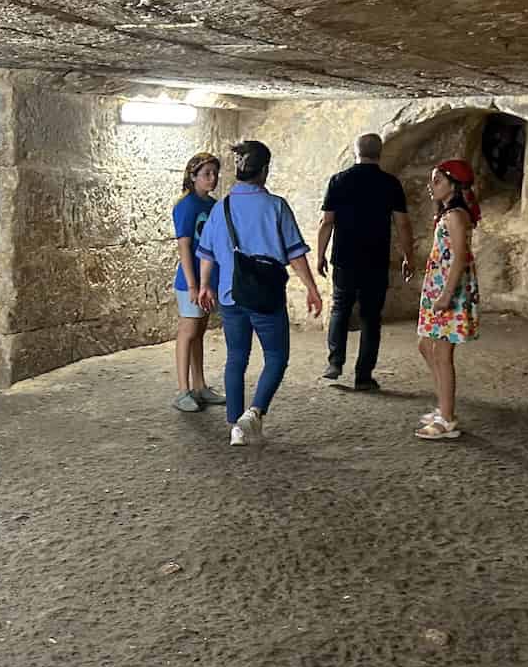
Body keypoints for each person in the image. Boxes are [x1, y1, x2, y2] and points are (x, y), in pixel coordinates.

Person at [195, 141, 323, 447]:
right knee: (276, 357)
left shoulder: (221, 207)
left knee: (236, 358)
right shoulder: (276, 206)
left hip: (230, 295)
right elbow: (295, 254)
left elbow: (207, 253)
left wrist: (203, 285)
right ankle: (253, 414)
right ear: (264, 170)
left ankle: (234, 426)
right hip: (266, 297)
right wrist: (311, 288)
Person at [316, 133, 415, 391]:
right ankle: (363, 376)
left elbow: (327, 222)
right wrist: (408, 256)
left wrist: (319, 255)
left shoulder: (338, 180)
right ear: (379, 153)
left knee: (340, 308)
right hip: (376, 259)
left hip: (345, 258)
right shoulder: (390, 183)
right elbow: (402, 223)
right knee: (371, 317)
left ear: (355, 151)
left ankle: (335, 363)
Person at [416, 159, 481, 440]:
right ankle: (443, 405)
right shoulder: (448, 213)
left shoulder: (455, 216)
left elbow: (458, 259)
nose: (431, 186)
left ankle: (447, 418)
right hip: (438, 288)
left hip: (448, 292)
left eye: (438, 181)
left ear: (453, 185)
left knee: (442, 355)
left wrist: (445, 295)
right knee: (425, 346)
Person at [171, 151, 227, 412]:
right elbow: (185, 247)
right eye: (206, 174)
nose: (212, 178)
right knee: (188, 331)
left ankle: (200, 385)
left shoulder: (213, 205)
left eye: (215, 173)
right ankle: (183, 390)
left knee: (199, 331)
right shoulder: (186, 206)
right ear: (193, 176)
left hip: (207, 280)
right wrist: (193, 285)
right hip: (190, 280)